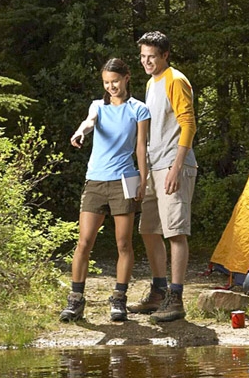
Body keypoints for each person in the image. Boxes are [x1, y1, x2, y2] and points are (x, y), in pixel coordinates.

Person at [60, 58, 150, 322]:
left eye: (115, 81)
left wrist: (143, 181)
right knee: (84, 242)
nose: (111, 87)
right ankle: (75, 300)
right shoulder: (97, 106)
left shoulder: (139, 109)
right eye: (107, 83)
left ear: (126, 78)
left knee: (124, 243)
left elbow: (141, 147)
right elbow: (89, 121)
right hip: (96, 181)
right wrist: (80, 131)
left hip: (126, 180)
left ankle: (119, 300)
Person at [127, 31, 198, 323]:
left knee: (175, 232)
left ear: (165, 55)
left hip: (174, 165)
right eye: (143, 57)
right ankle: (158, 291)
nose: (147, 62)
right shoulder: (150, 83)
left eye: (152, 57)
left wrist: (176, 167)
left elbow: (189, 124)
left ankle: (176, 298)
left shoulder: (175, 80)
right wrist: (143, 174)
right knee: (149, 229)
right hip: (154, 167)